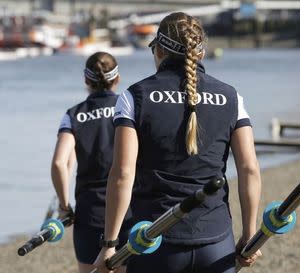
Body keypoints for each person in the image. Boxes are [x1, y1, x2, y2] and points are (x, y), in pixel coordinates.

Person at [94, 12, 262, 273]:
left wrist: (110, 243)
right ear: (201, 53)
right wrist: (250, 234)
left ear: (159, 50)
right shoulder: (232, 97)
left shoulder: (134, 97)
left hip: (154, 241)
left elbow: (122, 174)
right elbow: (249, 168)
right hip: (216, 240)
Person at [51, 52, 132, 273]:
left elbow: (60, 162)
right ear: (117, 79)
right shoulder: (129, 108)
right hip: (127, 210)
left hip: (89, 213)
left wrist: (64, 205)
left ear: (86, 80)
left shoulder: (73, 114)